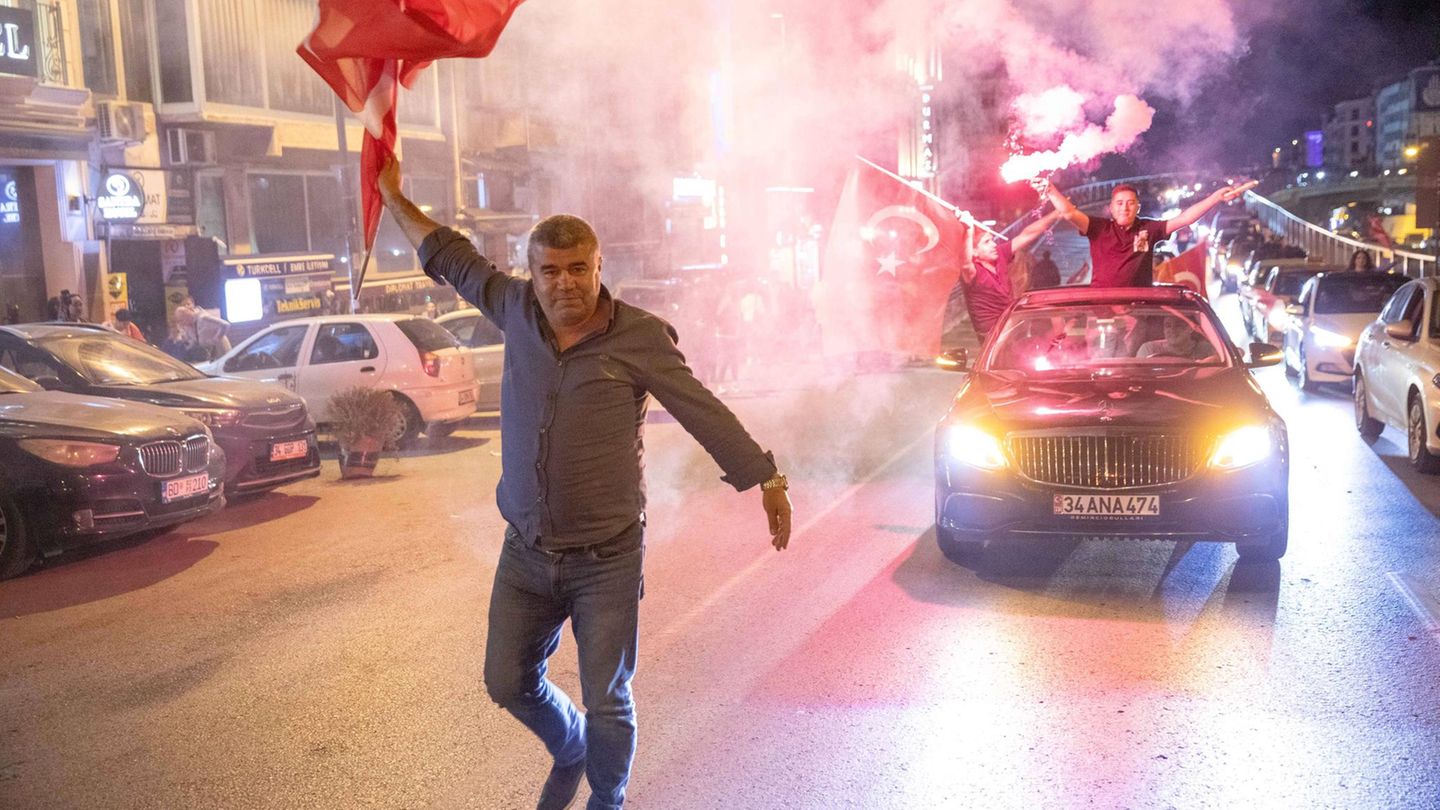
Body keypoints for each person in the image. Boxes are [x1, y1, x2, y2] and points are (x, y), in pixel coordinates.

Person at [377, 156, 793, 810]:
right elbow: (447, 253)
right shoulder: (512, 307)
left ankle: (608, 799)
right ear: (532, 273)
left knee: (608, 699)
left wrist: (765, 474)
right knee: (506, 683)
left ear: (600, 269)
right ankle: (566, 742)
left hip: (608, 560)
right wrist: (392, 192)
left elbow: (700, 408)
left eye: (579, 268)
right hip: (526, 553)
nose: (565, 283)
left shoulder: (640, 337)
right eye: (550, 270)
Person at [1047, 180, 1257, 287]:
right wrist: (1049, 189)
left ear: (1138, 207)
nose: (1124, 208)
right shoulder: (1098, 228)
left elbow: (1185, 219)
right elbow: (1068, 212)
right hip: (1104, 306)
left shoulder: (1149, 228)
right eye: (1119, 204)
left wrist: (1215, 198)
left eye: (1130, 204)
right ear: (1111, 208)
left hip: (1140, 307)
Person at [954, 210, 1062, 344]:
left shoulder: (1000, 255)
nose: (994, 245)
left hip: (1013, 328)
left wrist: (1056, 213)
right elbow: (965, 263)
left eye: (992, 240)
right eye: (987, 242)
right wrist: (968, 230)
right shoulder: (972, 272)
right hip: (993, 338)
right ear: (974, 251)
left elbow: (1027, 234)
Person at [1136, 315, 1217, 360]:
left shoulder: (1206, 350)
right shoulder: (1149, 349)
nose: (1172, 330)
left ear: (1190, 328)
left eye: (1178, 325)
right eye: (1168, 326)